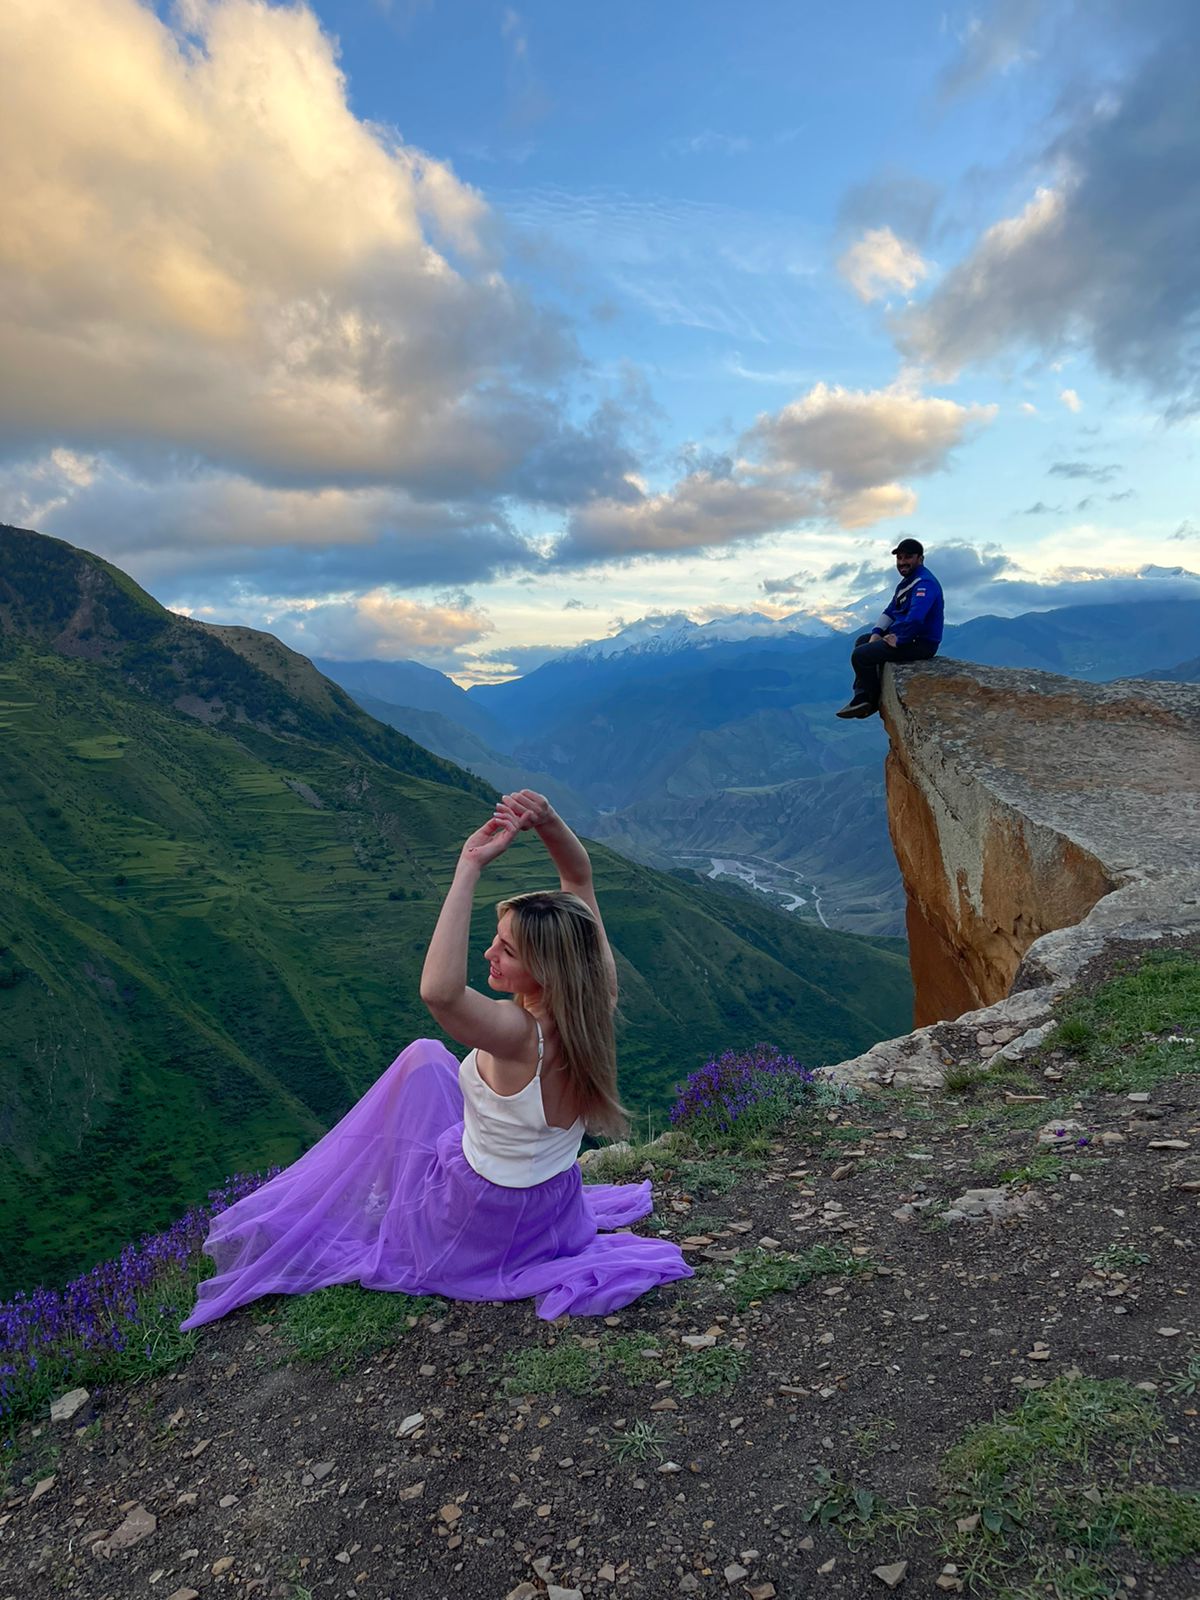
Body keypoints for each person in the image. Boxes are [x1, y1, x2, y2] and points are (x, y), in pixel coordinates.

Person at [180, 791, 691, 1330]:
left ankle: (372, 1197)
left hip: (485, 1218)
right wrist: (547, 821)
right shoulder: (595, 1002)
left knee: (420, 1064)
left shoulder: (521, 1035)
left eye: (507, 950)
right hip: (553, 1206)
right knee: (428, 1059)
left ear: (546, 968)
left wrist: (468, 867)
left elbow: (440, 993)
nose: (489, 954)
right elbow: (578, 878)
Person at [836, 538, 943, 719]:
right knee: (863, 641)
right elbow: (890, 611)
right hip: (909, 637)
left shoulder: (925, 584)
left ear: (920, 559)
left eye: (908, 557)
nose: (902, 562)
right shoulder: (908, 583)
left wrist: (900, 639)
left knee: (860, 656)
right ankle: (864, 696)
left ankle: (868, 700)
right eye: (899, 558)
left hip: (920, 643)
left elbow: (916, 618)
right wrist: (876, 634)